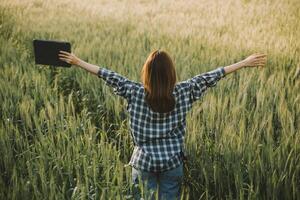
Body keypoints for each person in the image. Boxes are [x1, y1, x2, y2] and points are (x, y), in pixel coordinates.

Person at [58, 50, 267, 199]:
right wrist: (243, 62)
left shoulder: (134, 91)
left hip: (143, 163)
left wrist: (78, 61)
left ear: (146, 74)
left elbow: (106, 74)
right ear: (171, 74)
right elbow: (213, 75)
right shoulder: (185, 90)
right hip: (172, 163)